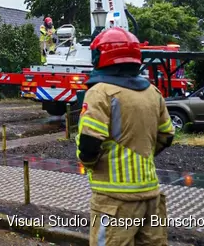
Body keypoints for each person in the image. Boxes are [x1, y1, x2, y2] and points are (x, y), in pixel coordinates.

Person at [76, 27, 174, 245]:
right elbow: (167, 134)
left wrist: (89, 163)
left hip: (114, 201)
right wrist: (142, 154)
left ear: (100, 56)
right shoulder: (153, 92)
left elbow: (90, 141)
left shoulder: (100, 92)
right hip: (151, 196)